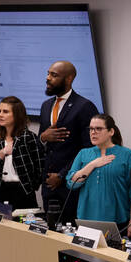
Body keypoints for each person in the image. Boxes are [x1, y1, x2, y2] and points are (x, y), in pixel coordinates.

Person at [38, 61, 97, 223]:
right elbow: (41, 143)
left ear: (69, 78)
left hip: (70, 185)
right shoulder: (45, 106)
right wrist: (43, 137)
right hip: (48, 184)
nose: (48, 78)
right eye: (48, 73)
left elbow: (88, 149)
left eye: (54, 75)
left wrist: (62, 175)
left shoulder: (84, 106)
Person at [65, 114, 131, 228]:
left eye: (98, 129)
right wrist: (92, 164)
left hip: (118, 221)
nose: (93, 132)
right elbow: (71, 183)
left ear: (111, 131)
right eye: (91, 129)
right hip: (86, 220)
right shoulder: (83, 153)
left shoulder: (126, 154)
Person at [0, 96, 44, 211]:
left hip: (23, 189)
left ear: (17, 115)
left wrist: (31, 185)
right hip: (3, 188)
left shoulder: (28, 137)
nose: (0, 115)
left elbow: (40, 165)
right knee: (4, 224)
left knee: (24, 225)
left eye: (5, 112)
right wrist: (1, 153)